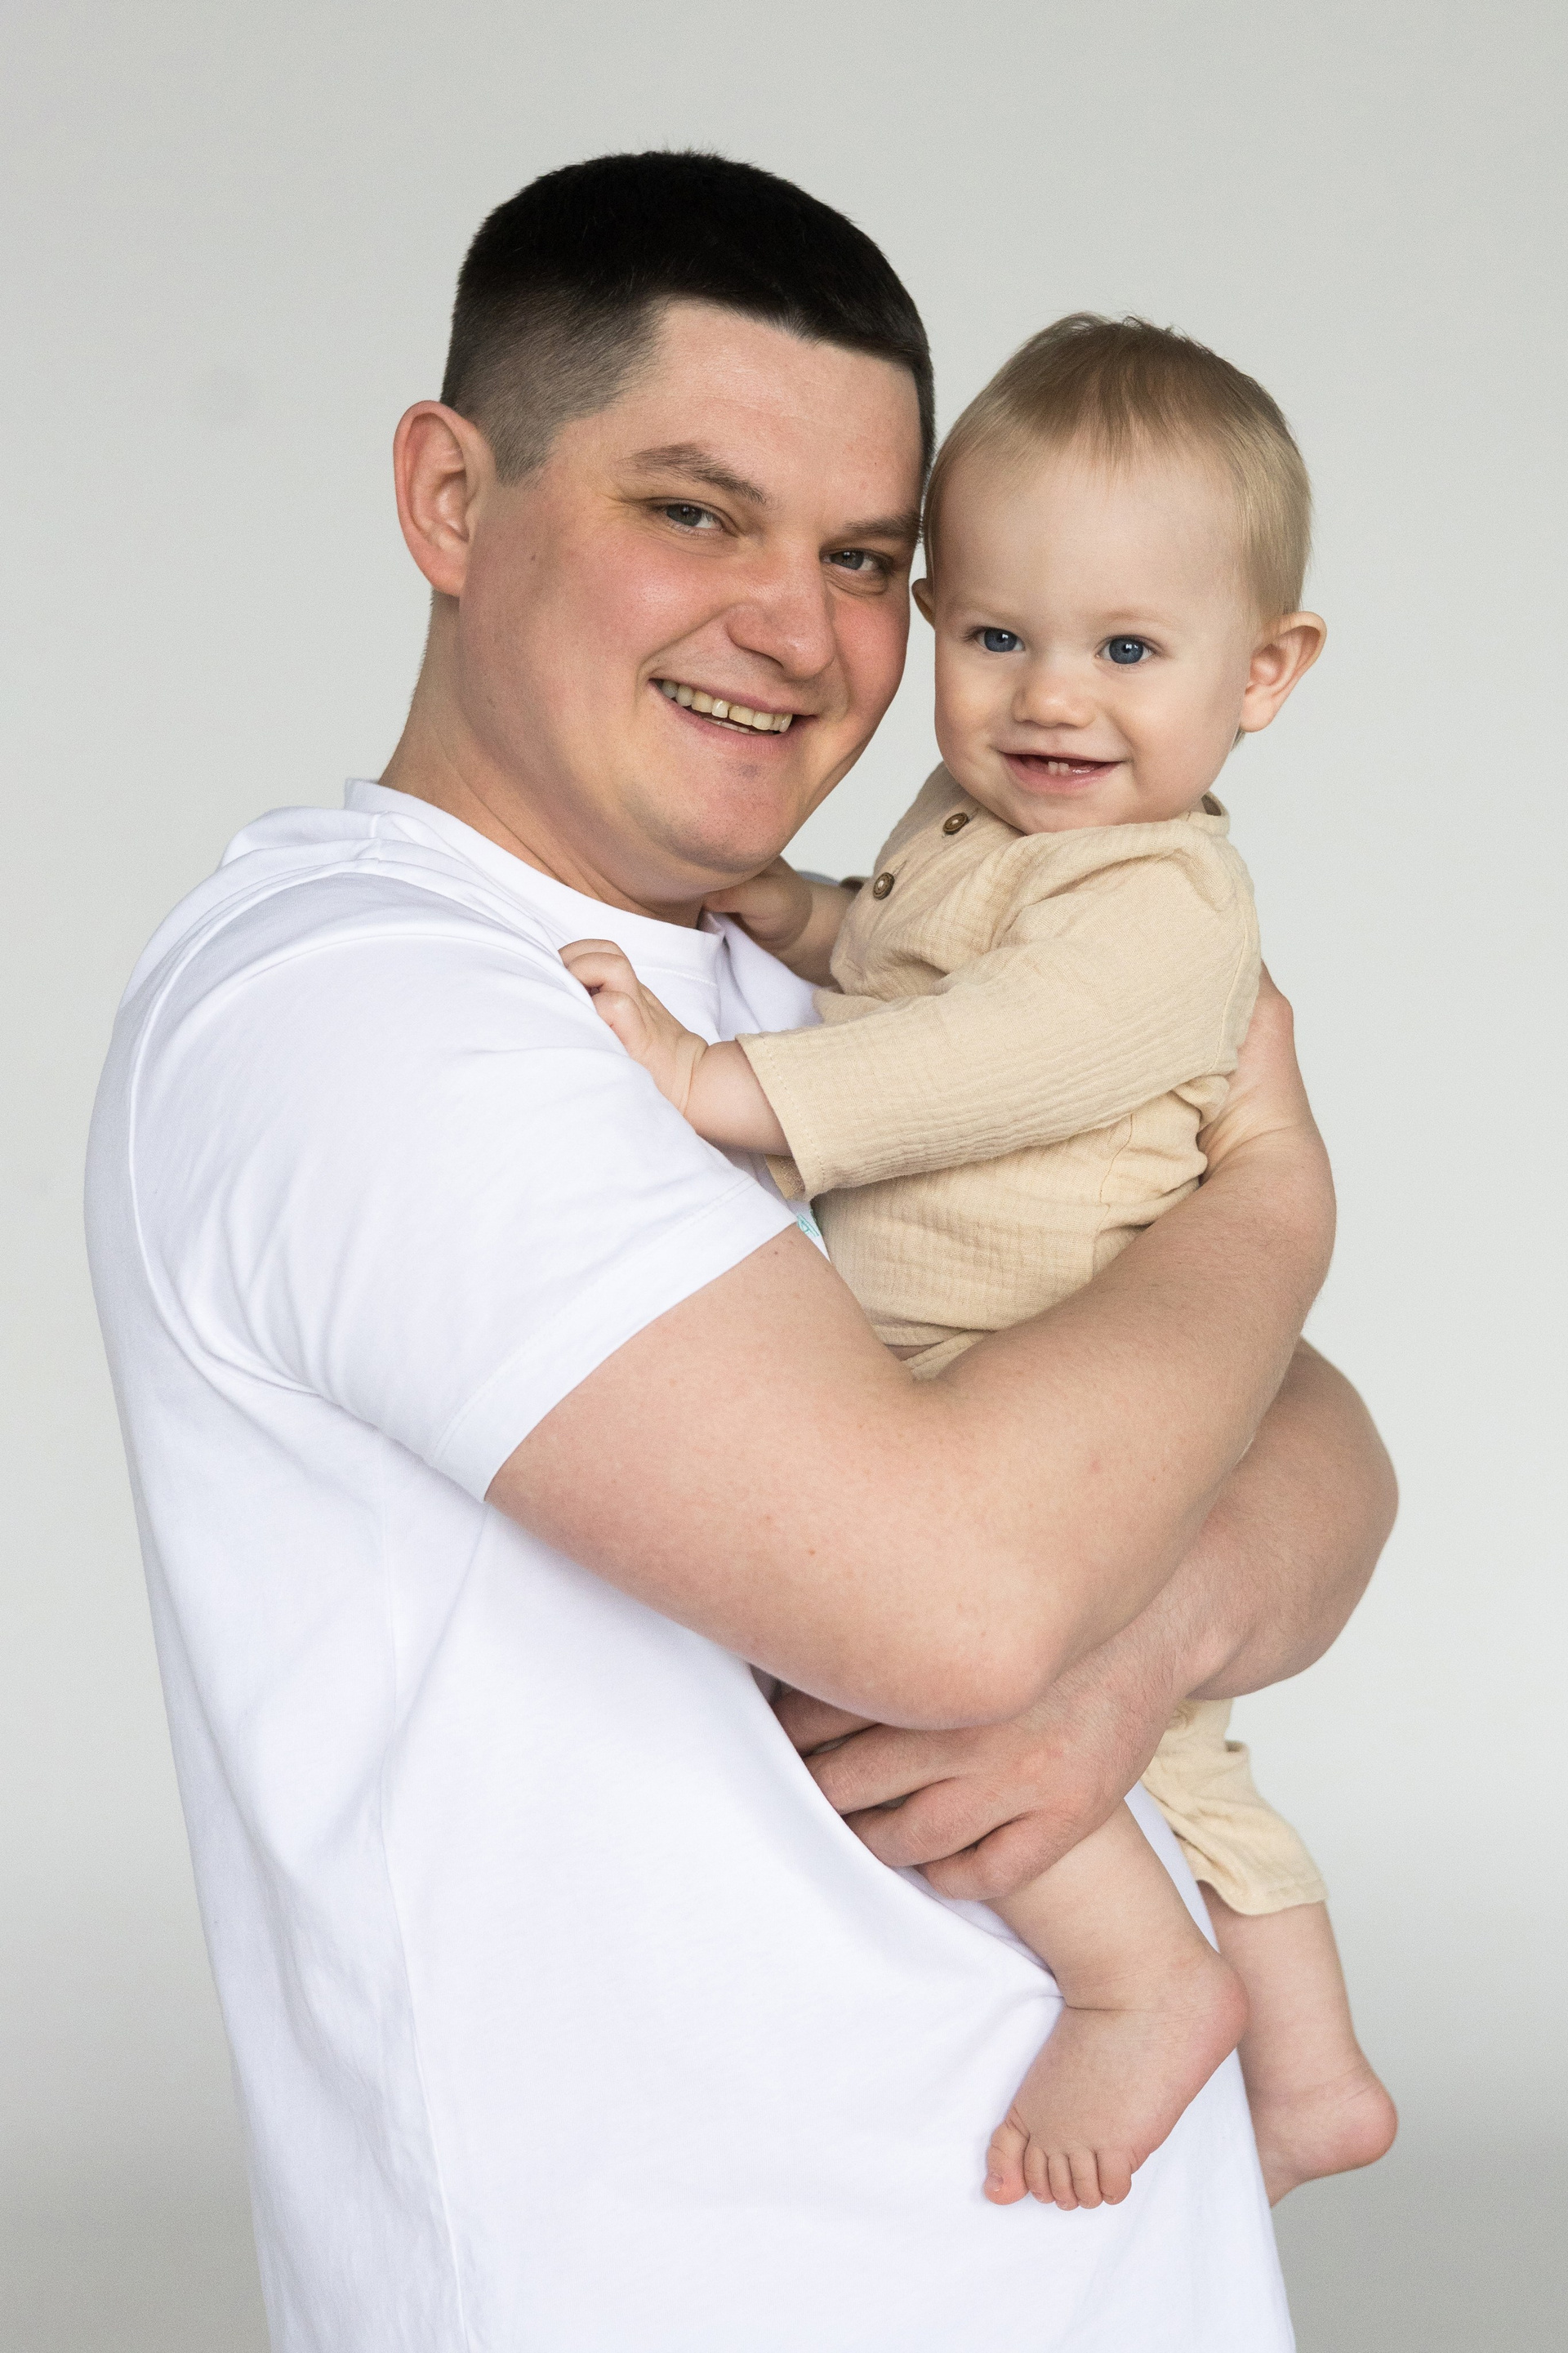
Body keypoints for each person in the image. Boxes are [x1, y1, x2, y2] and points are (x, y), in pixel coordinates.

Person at [86, 152, 1394, 2351]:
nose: (799, 627)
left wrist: (1140, 1640)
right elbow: (966, 1596)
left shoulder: (851, 974)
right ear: (449, 499)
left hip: (1096, 2271)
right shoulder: (363, 1007)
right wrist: (1272, 1206)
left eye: (867, 558)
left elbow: (1327, 1452)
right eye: (696, 513)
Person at [564, 310, 1399, 2217]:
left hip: (1030, 1352)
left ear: (1266, 670)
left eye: (1129, 651)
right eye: (999, 637)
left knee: (931, 1693)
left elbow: (982, 1057)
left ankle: (1139, 1980)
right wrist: (788, 908)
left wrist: (720, 1082)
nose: (1053, 699)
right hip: (976, 1351)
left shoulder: (1162, 897)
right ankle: (1317, 2077)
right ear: (939, 620)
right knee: (1170, 1741)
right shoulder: (982, 826)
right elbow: (900, 952)